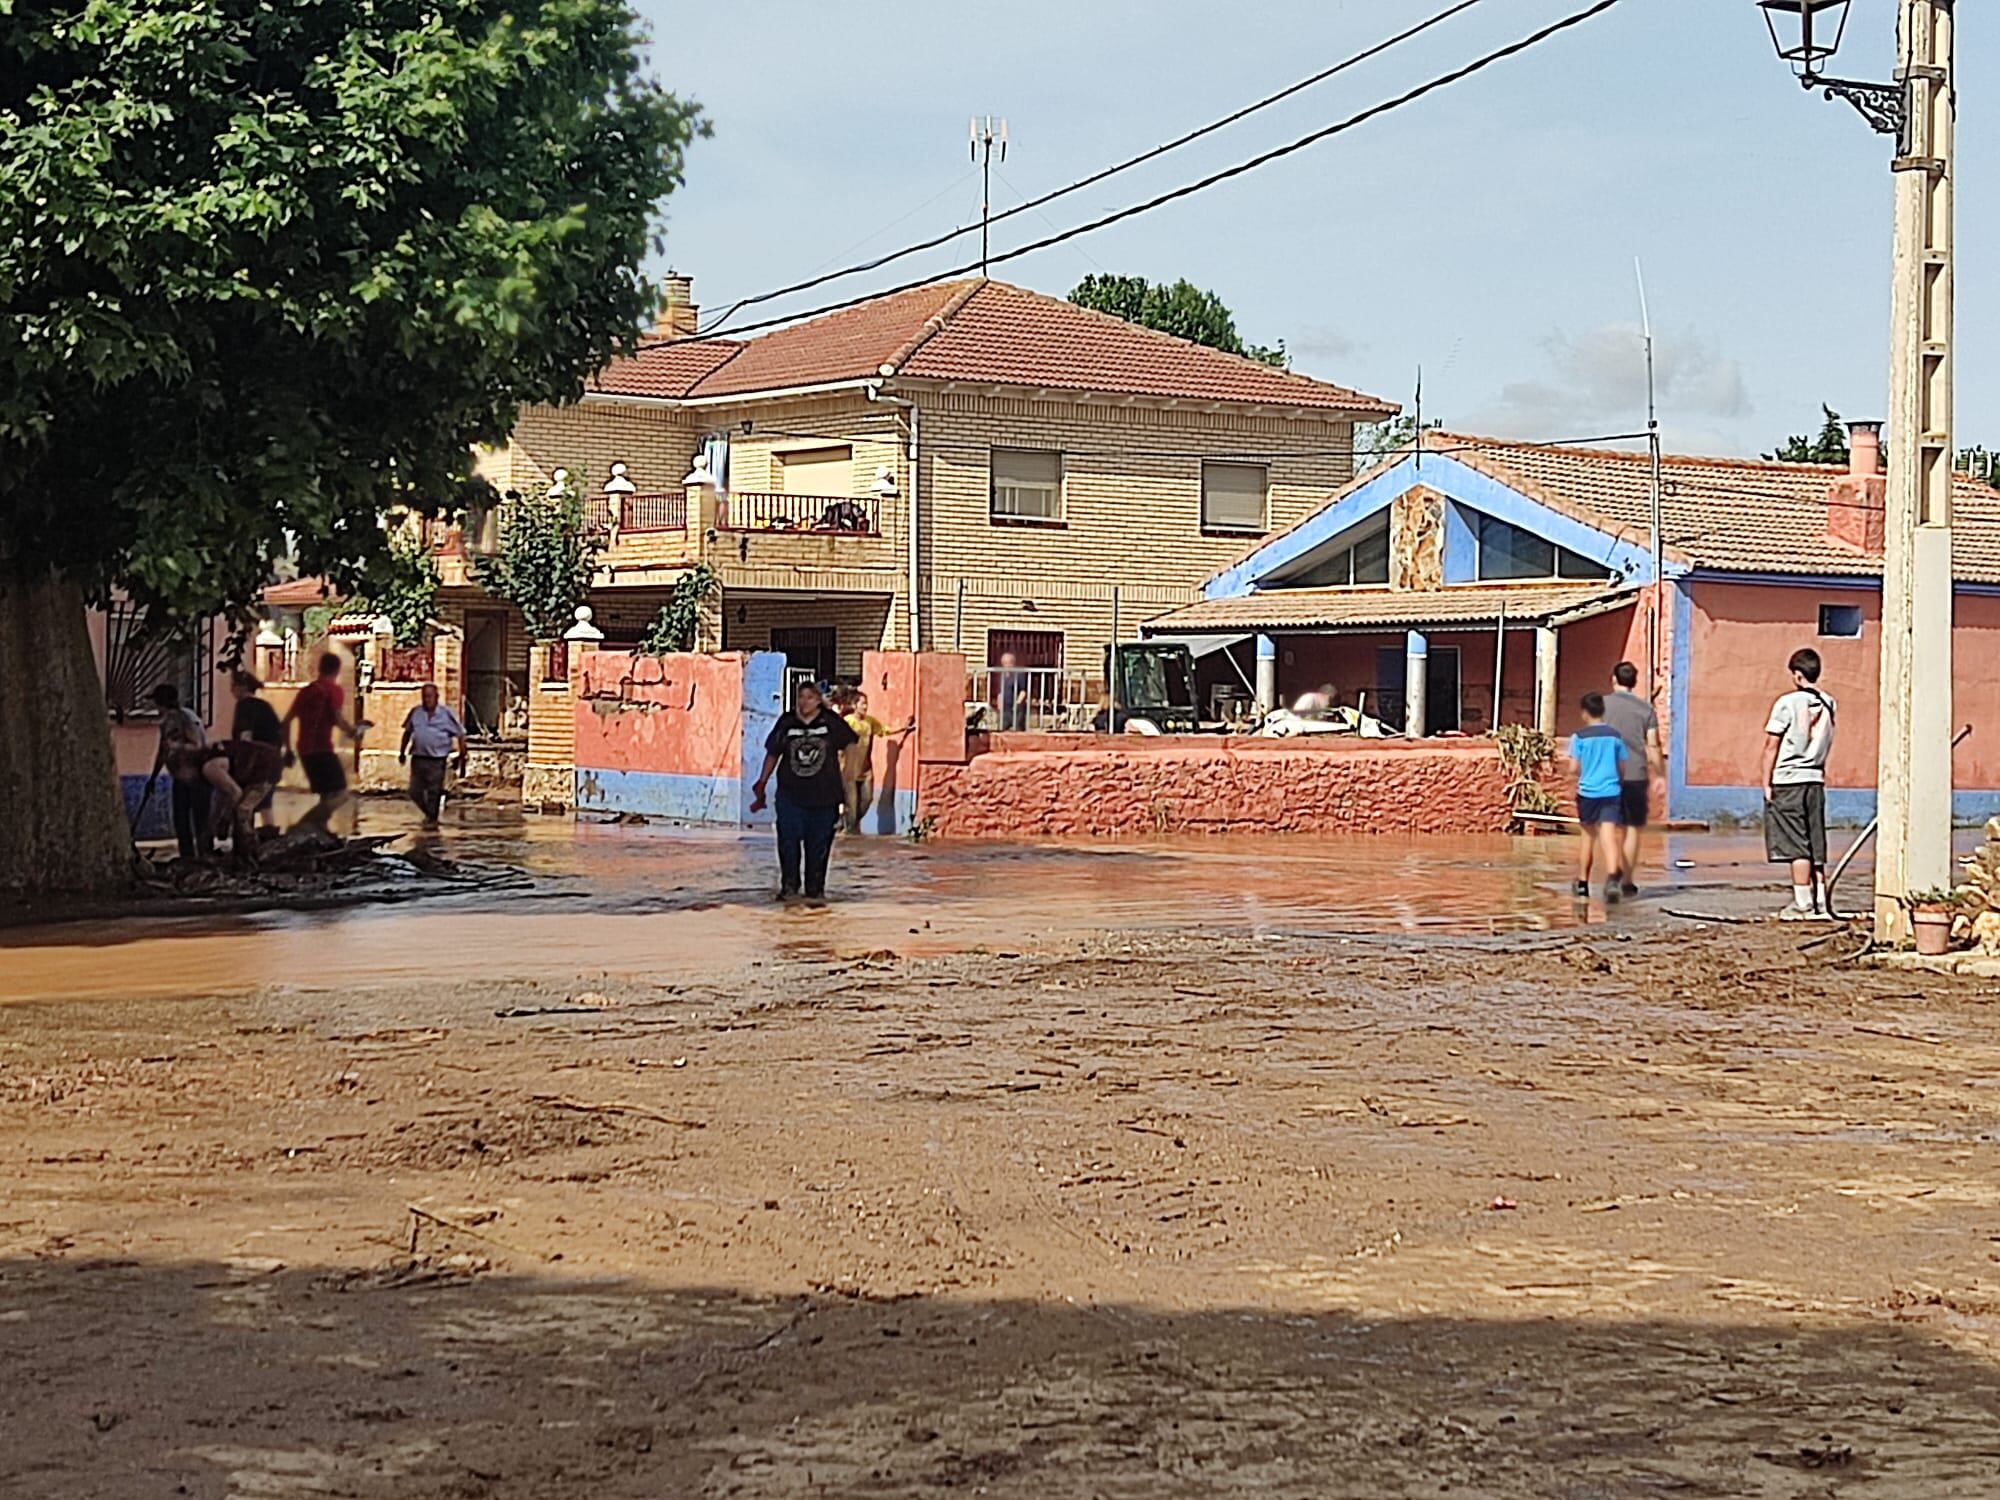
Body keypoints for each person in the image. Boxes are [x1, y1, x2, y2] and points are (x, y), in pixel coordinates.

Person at [749, 680, 857, 902]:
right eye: (800, 697)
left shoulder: (830, 721)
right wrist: (762, 781)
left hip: (825, 797)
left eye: (809, 697)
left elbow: (851, 743)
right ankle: (789, 890)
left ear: (818, 700)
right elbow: (773, 753)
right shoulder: (787, 722)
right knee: (788, 843)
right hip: (790, 796)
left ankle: (814, 895)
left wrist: (848, 774)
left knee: (818, 849)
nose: (804, 702)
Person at [1762, 647, 1837, 920]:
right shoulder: (1829, 703)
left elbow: (1771, 745)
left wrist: (1766, 782)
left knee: (1796, 844)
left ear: (1796, 675)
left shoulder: (1787, 703)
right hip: (1815, 779)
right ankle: (1821, 902)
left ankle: (1802, 903)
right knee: (1816, 842)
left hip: (1788, 780)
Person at [1600, 661, 1664, 897]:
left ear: (1613, 680)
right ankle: (1627, 881)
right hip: (1636, 773)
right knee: (1632, 828)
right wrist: (1660, 773)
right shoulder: (1646, 710)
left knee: (1607, 824)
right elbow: (1653, 745)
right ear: (1634, 682)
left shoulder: (1600, 706)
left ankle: (1612, 872)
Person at [282, 652, 366, 831]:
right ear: (336, 670)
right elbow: (337, 719)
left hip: (304, 750)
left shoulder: (306, 692)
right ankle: (302, 826)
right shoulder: (333, 690)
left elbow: (286, 722)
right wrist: (353, 731)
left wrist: (288, 750)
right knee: (341, 795)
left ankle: (320, 830)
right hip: (322, 748)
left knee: (326, 795)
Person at [1567, 691, 1634, 903]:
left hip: (1588, 793)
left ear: (1584, 713)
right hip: (1611, 791)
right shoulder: (1615, 736)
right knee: (1608, 835)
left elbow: (1573, 768)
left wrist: (1585, 771)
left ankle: (1582, 883)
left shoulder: (1579, 737)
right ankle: (1613, 878)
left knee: (1588, 838)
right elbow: (1622, 767)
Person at [148, 683, 212, 860]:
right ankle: (187, 857)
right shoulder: (167, 722)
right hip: (180, 777)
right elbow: (162, 751)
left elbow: (198, 745)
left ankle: (205, 856)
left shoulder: (186, 718)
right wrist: (153, 777)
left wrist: (177, 746)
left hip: (197, 777)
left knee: (200, 820)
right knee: (181, 820)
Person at [199, 735, 285, 865]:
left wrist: (224, 819)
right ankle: (243, 852)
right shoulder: (211, 758)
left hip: (264, 768)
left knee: (242, 811)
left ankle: (251, 853)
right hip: (258, 764)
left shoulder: (210, 768)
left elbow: (235, 793)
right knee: (240, 811)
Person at [839, 689, 912, 835]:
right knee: (852, 805)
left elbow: (884, 731)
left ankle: (847, 824)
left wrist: (903, 728)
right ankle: (849, 834)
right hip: (849, 771)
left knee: (867, 799)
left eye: (866, 703)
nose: (865, 707)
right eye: (862, 704)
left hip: (865, 770)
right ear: (854, 705)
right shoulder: (848, 722)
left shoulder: (870, 722)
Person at [399, 683, 468, 829]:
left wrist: (462, 756)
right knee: (414, 791)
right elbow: (407, 732)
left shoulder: (446, 714)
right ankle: (429, 815)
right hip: (418, 757)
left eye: (430, 696)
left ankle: (432, 819)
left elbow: (460, 734)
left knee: (434, 791)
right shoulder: (416, 712)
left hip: (437, 759)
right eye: (424, 696)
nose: (427, 700)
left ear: (436, 697)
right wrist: (402, 752)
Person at [227, 670, 285, 831]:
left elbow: (245, 736)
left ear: (242, 687)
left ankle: (246, 837)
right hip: (272, 761)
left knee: (245, 805)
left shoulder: (245, 706)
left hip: (256, 762)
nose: (231, 690)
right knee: (265, 804)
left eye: (233, 686)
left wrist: (240, 762)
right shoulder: (264, 706)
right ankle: (269, 835)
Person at [995, 651, 1028, 732]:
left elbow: (1023, 691)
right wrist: (999, 704)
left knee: (1018, 730)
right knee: (1001, 729)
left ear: (1013, 663)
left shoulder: (1019, 674)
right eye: (1004, 663)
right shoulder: (1002, 675)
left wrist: (1017, 703)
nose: (1006, 665)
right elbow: (1000, 691)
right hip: (1005, 709)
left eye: (1008, 663)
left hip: (1016, 709)